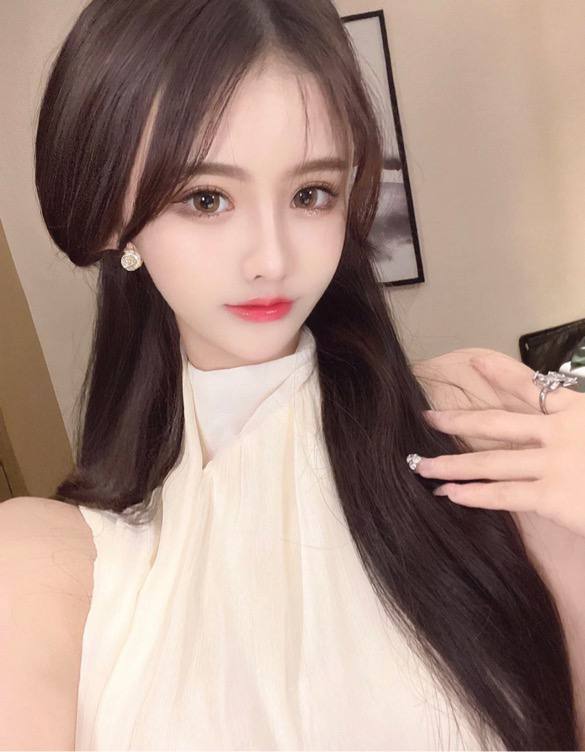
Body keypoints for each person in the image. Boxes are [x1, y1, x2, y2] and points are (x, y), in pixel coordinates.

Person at [1, 0, 582, 748]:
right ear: (115, 219)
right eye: (206, 199)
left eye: (310, 194)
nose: (271, 258)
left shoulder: (472, 443)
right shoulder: (54, 563)